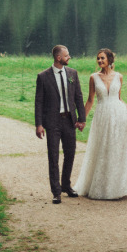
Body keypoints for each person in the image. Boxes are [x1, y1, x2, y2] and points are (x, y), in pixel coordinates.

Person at [74, 47, 127, 199]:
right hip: (102, 116)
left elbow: (118, 98)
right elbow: (90, 100)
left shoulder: (119, 77)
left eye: (102, 58)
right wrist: (82, 119)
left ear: (109, 60)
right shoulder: (93, 77)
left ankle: (118, 186)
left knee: (117, 149)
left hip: (119, 115)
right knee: (103, 148)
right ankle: (102, 186)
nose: (99, 61)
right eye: (98, 58)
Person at [34, 44, 86, 203]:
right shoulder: (43, 77)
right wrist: (39, 124)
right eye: (67, 55)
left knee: (70, 153)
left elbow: (78, 97)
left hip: (69, 121)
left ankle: (66, 185)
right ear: (58, 58)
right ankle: (56, 191)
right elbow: (39, 102)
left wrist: (81, 119)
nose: (69, 57)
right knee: (53, 156)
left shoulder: (73, 74)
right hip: (52, 122)